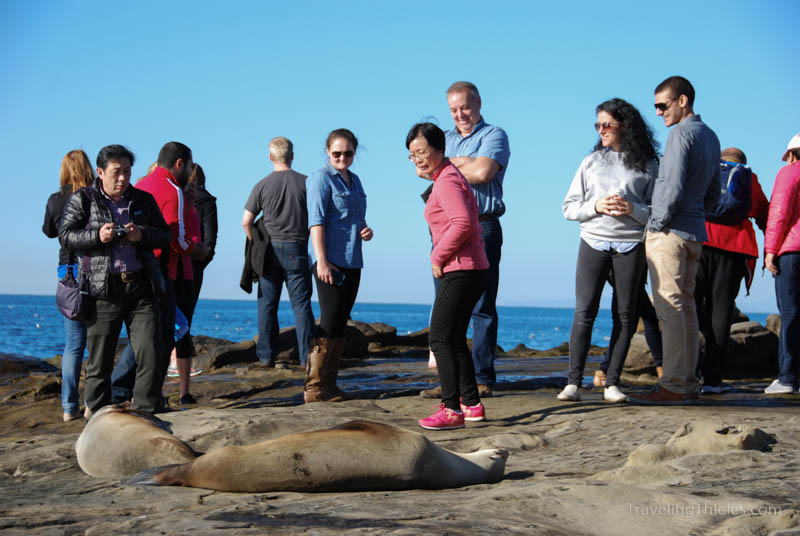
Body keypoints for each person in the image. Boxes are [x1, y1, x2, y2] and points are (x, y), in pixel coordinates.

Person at [629, 76, 721, 405]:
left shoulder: (680, 134)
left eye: (662, 105)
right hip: (695, 232)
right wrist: (698, 215)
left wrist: (656, 223)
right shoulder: (710, 136)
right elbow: (713, 191)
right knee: (687, 308)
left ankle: (673, 385)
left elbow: (672, 185)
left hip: (670, 233)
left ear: (683, 101)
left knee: (670, 308)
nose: (658, 112)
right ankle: (687, 382)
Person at [559, 98, 658, 403]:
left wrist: (632, 209)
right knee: (584, 312)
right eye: (597, 124)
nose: (601, 130)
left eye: (607, 124)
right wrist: (597, 206)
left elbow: (657, 213)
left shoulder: (650, 164)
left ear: (624, 126)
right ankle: (573, 383)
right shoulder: (591, 162)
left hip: (631, 246)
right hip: (593, 242)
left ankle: (612, 383)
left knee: (626, 316)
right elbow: (568, 208)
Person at [59, 144, 170, 415]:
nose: (123, 178)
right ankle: (97, 417)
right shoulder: (83, 199)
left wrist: (141, 234)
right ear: (100, 172)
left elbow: (164, 235)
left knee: (151, 353)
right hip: (102, 289)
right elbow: (66, 236)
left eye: (127, 171)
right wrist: (97, 236)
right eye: (116, 172)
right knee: (99, 362)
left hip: (141, 287)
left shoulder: (143, 200)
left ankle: (146, 413)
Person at [421, 81, 510, 399]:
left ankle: (482, 377)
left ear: (479, 103)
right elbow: (427, 169)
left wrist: (450, 166)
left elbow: (484, 172)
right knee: (447, 307)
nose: (460, 115)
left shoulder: (494, 135)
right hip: (443, 231)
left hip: (482, 227)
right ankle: (452, 381)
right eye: (453, 110)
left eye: (465, 108)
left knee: (482, 306)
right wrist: (463, 164)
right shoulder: (443, 139)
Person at [407, 123, 489, 430]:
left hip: (461, 268)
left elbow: (463, 223)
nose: (418, 159)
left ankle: (451, 409)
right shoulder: (446, 177)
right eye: (412, 154)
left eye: (423, 152)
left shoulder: (447, 180)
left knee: (439, 338)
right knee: (453, 339)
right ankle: (472, 405)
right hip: (468, 267)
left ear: (440, 149)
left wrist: (437, 255)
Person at [304, 128, 373, 403]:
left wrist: (365, 230)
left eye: (348, 153)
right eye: (337, 153)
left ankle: (329, 384)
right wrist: (321, 261)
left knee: (341, 323)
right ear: (327, 152)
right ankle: (314, 387)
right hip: (328, 260)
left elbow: (353, 219)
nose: (342, 157)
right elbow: (316, 221)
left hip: (352, 258)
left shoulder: (355, 181)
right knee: (329, 320)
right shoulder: (321, 179)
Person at [695, 147, 769, 394]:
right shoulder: (749, 177)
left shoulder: (707, 172)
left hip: (699, 242)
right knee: (721, 311)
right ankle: (713, 380)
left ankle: (686, 372)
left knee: (691, 308)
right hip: (735, 247)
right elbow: (763, 214)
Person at [242, 137, 315, 368]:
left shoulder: (262, 185)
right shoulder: (307, 182)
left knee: (267, 304)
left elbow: (246, 221)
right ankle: (306, 358)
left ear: (270, 157)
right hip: (297, 246)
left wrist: (256, 242)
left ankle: (266, 357)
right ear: (292, 156)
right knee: (302, 306)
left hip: (270, 249)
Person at [43, 149, 94, 422]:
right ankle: (92, 404)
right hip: (94, 269)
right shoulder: (94, 197)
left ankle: (68, 407)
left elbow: (49, 230)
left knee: (73, 344)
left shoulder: (56, 199)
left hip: (68, 270)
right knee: (96, 342)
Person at [763, 134, 800, 394]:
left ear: (791, 155)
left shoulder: (789, 173)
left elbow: (779, 212)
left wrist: (770, 250)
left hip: (793, 251)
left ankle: (787, 378)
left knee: (790, 313)